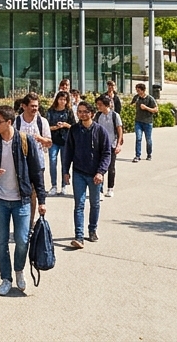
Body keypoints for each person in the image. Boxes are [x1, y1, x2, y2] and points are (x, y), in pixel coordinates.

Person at [0, 104, 48, 295]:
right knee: (1, 242)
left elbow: (36, 174)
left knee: (22, 240)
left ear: (9, 122)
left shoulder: (25, 141)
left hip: (22, 201)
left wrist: (41, 200)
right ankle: (5, 278)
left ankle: (19, 270)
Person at [63, 100, 113, 249]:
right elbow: (68, 152)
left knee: (95, 204)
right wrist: (65, 171)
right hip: (78, 172)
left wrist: (101, 172)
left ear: (91, 113)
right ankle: (79, 236)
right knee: (79, 205)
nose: (82, 114)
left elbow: (106, 153)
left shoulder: (100, 131)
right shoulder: (74, 130)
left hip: (94, 174)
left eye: (85, 111)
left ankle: (92, 230)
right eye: (79, 111)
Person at [93, 94, 123, 196]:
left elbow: (119, 130)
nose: (98, 107)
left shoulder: (115, 115)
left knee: (111, 167)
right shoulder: (98, 116)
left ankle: (110, 188)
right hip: (99, 145)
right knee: (100, 167)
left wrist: (118, 144)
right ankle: (100, 190)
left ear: (106, 105)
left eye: (100, 105)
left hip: (112, 144)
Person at [44, 91, 74, 195]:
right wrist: (56, 127)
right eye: (61, 99)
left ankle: (64, 185)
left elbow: (73, 126)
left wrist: (65, 125)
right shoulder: (51, 111)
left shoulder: (68, 111)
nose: (62, 102)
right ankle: (54, 185)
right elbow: (46, 126)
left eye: (65, 100)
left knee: (64, 163)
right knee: (52, 162)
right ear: (57, 99)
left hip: (65, 140)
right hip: (54, 140)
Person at [130, 83, 158, 161]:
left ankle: (149, 154)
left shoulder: (150, 99)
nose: (137, 92)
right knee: (138, 138)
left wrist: (146, 108)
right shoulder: (136, 97)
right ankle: (137, 155)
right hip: (138, 121)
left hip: (148, 122)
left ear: (143, 90)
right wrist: (132, 105)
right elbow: (131, 104)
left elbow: (155, 109)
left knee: (148, 139)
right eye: (137, 90)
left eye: (139, 90)